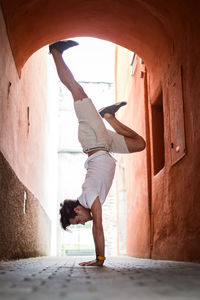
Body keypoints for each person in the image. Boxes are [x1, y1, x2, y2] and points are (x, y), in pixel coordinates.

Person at [49, 40, 146, 266]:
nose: (82, 223)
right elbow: (96, 225)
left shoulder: (90, 196)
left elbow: (98, 227)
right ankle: (109, 116)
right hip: (106, 144)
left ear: (76, 209)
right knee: (140, 144)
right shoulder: (91, 199)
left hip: (93, 139)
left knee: (77, 90)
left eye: (77, 220)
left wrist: (99, 259)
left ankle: (55, 52)